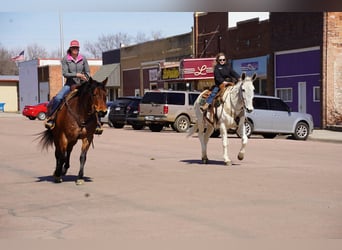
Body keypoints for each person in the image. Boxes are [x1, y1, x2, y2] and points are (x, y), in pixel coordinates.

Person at [45, 40, 103, 134]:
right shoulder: (65, 59)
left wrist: (85, 77)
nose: (75, 49)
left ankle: (97, 123)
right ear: (70, 49)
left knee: (93, 97)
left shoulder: (83, 59)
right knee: (58, 98)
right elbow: (65, 73)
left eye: (77, 48)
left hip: (83, 84)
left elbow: (87, 72)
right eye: (73, 48)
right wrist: (77, 75)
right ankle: (51, 118)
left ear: (78, 49)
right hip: (70, 84)